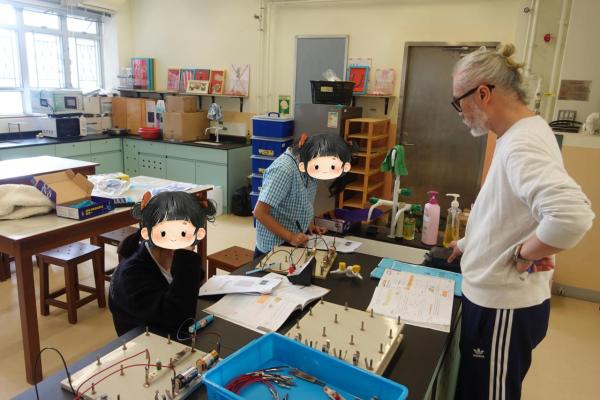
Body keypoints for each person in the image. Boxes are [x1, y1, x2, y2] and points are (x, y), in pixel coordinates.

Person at [447, 43, 594, 400]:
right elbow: (506, 210)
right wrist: (467, 243)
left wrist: (526, 253)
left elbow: (572, 215)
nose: (461, 113)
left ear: (483, 94)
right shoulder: (522, 132)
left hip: (504, 306)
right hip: (495, 300)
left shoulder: (521, 143)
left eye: (459, 102)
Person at [109, 191, 216, 336]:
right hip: (144, 339)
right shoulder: (131, 276)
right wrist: (185, 258)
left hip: (166, 329)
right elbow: (179, 320)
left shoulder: (165, 258)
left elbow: (193, 284)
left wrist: (184, 260)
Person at [253, 133, 354, 258]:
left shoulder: (309, 168)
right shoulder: (284, 170)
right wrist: (291, 237)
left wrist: (307, 225)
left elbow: (296, 203)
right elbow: (260, 212)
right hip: (274, 248)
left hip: (295, 242)